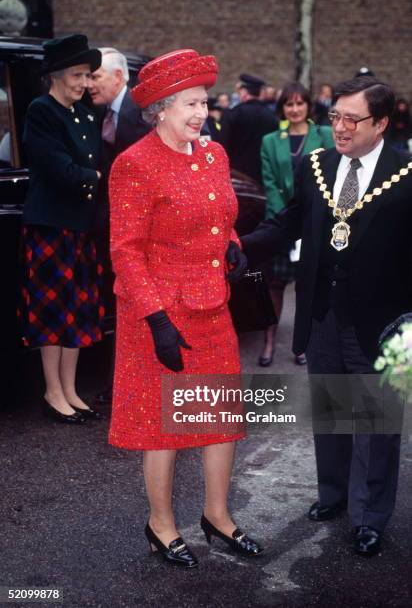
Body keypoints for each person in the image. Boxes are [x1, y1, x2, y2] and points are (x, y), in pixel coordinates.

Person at [108, 48, 263, 568]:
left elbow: (221, 213)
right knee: (164, 423)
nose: (201, 114)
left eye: (203, 103)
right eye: (189, 105)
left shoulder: (213, 155)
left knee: (220, 414)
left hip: (211, 303)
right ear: (161, 110)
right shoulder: (133, 165)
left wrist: (233, 245)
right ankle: (161, 524)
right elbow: (125, 251)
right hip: (159, 313)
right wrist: (156, 322)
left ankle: (217, 516)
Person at [242, 75, 406, 557]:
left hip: (382, 321)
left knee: (375, 422)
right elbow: (289, 220)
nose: (339, 127)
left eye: (351, 119)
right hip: (323, 314)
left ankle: (370, 515)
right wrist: (241, 246)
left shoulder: (407, 171)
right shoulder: (316, 164)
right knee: (333, 410)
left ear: (381, 122)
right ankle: (333, 496)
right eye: (334, 116)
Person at [19, 34, 104, 423]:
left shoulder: (85, 115)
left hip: (79, 227)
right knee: (53, 313)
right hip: (51, 226)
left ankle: (70, 390)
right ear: (55, 75)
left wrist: (88, 176)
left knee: (79, 311)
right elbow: (60, 170)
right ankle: (52, 392)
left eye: (88, 75)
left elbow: (79, 172)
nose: (85, 83)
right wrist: (93, 175)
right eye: (78, 75)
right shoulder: (41, 111)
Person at [87, 47, 151, 404]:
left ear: (119, 76)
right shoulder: (98, 115)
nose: (89, 84)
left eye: (96, 77)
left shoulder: (141, 115)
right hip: (112, 226)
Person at [258, 82, 334, 367]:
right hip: (282, 223)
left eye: (299, 103)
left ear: (308, 106)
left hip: (315, 224)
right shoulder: (270, 140)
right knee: (274, 287)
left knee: (307, 288)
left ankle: (301, 344)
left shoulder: (324, 135)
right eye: (289, 104)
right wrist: (286, 224)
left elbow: (332, 178)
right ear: (282, 109)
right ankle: (268, 343)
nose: (295, 109)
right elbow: (270, 184)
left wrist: (310, 219)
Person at [220, 73, 277, 184]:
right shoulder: (271, 116)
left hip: (237, 177)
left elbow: (222, 147)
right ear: (260, 92)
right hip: (264, 178)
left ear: (244, 92)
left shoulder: (232, 114)